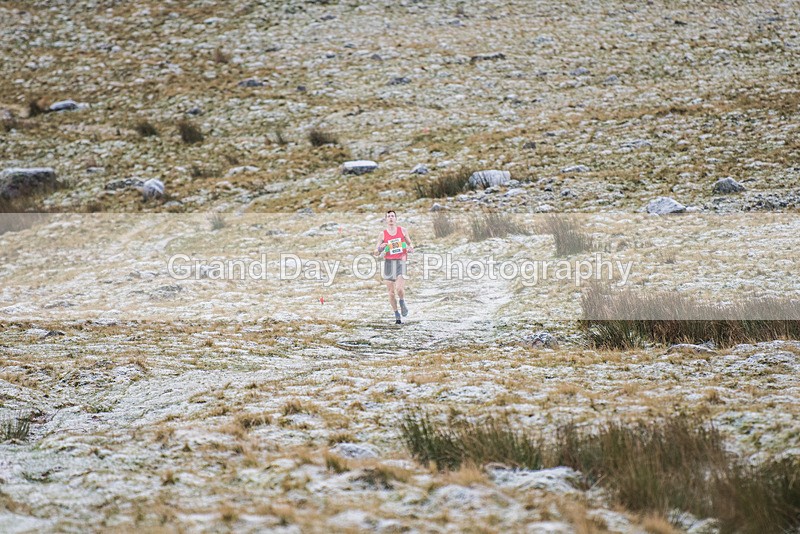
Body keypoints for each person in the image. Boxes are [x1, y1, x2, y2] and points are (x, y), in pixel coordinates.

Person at [373, 210, 414, 324]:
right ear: (386, 219)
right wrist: (381, 248)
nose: (391, 218)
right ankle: (396, 314)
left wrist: (410, 248)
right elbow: (375, 252)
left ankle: (402, 302)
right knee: (391, 292)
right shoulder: (383, 234)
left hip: (401, 262)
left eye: (392, 216)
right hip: (388, 263)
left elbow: (410, 244)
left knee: (399, 289)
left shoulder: (403, 230)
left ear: (396, 219)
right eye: (388, 216)